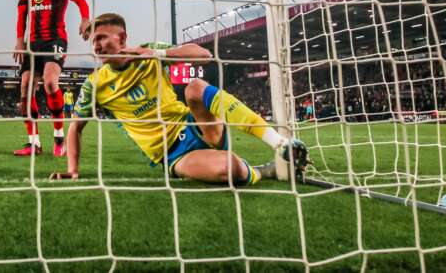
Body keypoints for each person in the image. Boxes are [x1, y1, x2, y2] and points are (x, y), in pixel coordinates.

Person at [50, 13, 310, 185]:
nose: (96, 45)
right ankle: (266, 171)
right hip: (173, 154)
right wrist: (73, 169)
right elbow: (75, 128)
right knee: (229, 167)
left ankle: (279, 143)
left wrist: (155, 54)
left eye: (102, 37)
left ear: (122, 38)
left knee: (194, 87)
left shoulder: (149, 51)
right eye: (93, 40)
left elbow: (204, 55)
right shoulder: (95, 83)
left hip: (198, 127)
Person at [14, 0, 91, 157]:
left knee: (49, 82)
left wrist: (85, 18)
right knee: (25, 87)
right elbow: (22, 16)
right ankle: (33, 144)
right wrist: (20, 42)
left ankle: (59, 136)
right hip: (33, 44)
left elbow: (80, 0)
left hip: (55, 40)